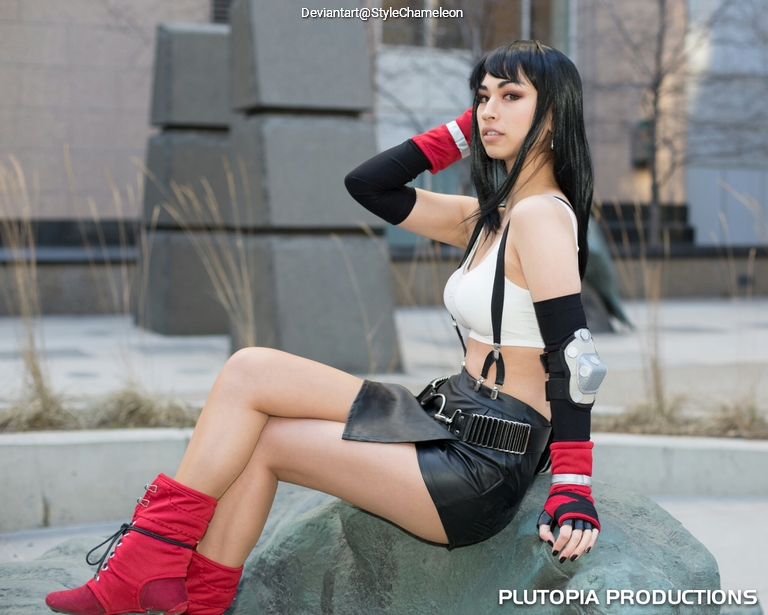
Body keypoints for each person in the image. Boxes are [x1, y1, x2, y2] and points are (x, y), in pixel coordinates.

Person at [45, 40, 606, 615]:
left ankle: (145, 568)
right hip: (443, 416)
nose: (489, 110)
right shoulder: (490, 215)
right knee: (253, 401)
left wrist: (573, 487)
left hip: (483, 461)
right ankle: (180, 590)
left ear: (555, 112)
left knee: (251, 379)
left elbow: (575, 359)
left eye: (511, 96)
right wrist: (471, 127)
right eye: (482, 97)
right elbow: (370, 186)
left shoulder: (541, 215)